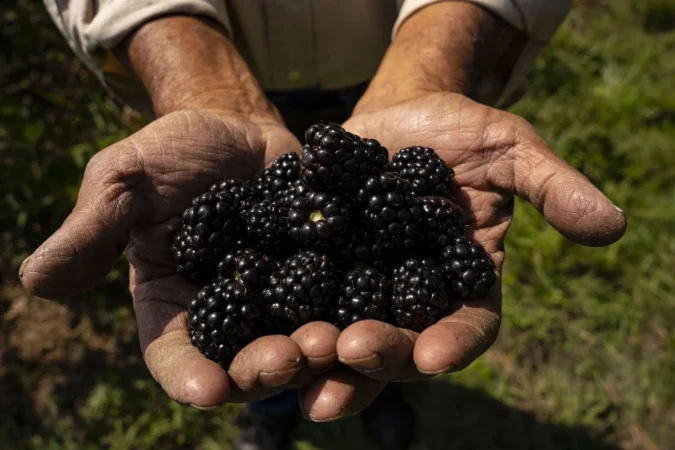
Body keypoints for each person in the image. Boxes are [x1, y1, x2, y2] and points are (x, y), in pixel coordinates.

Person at [23, 1, 627, 449]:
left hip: (403, 59)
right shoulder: (277, 222)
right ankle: (274, 410)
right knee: (285, 350)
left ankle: (384, 397)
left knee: (377, 344)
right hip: (222, 74)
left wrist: (431, 69)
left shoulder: (376, 215)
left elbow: (367, 247)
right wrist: (198, 79)